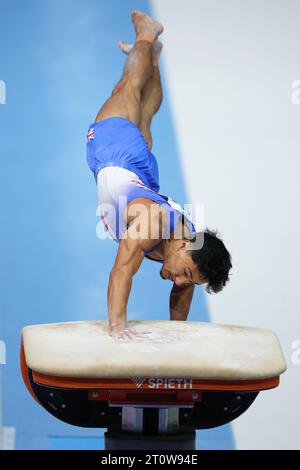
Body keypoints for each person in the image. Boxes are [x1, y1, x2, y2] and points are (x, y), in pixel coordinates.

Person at [86, 11, 232, 340]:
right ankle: (146, 39)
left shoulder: (191, 246)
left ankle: (154, 57)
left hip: (144, 179)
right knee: (127, 90)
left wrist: (176, 338)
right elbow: (122, 269)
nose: (180, 282)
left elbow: (184, 290)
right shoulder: (153, 225)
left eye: (191, 280)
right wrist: (117, 328)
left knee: (146, 115)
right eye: (187, 274)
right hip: (116, 149)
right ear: (184, 244)